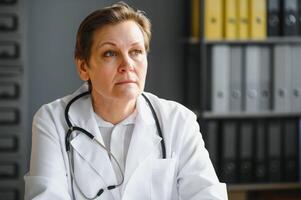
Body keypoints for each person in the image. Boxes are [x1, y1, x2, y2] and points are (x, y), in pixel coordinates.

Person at [24, 2, 227, 200]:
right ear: (83, 67)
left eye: (136, 52)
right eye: (110, 53)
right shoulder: (53, 120)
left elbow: (207, 195)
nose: (127, 64)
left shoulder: (178, 120)